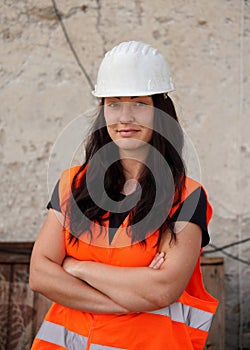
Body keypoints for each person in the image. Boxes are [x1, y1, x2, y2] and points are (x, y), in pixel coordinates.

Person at [29, 40, 218, 350]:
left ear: (161, 112)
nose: (124, 117)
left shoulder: (187, 196)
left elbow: (161, 290)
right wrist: (130, 295)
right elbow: (40, 274)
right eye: (114, 102)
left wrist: (76, 267)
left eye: (139, 103)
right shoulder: (72, 184)